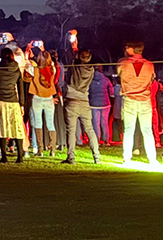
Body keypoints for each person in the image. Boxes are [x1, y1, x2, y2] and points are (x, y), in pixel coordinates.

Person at [117, 41, 158, 167]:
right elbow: (152, 79)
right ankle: (152, 158)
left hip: (129, 98)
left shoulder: (123, 63)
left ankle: (127, 157)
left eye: (127, 47)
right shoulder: (150, 64)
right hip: (145, 99)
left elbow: (119, 74)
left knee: (129, 130)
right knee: (147, 130)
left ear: (131, 49)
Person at [0, 40, 26, 163]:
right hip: (13, 100)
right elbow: (20, 87)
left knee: (1, 128)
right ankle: (20, 156)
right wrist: (22, 104)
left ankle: (4, 156)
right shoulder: (16, 69)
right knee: (16, 128)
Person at [61, 34, 100, 165]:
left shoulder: (75, 65)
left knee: (71, 131)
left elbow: (72, 53)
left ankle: (71, 158)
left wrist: (73, 41)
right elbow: (78, 56)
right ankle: (97, 157)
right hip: (84, 101)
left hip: (71, 101)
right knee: (89, 130)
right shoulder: (91, 69)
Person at [28, 47, 57, 156]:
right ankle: (53, 149)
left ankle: (40, 149)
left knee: (38, 123)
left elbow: (28, 69)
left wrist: (30, 56)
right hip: (49, 97)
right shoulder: (52, 69)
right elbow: (51, 64)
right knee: (50, 124)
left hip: (37, 97)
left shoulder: (34, 69)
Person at [89, 66, 113, 145]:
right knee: (105, 122)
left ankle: (97, 139)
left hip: (94, 103)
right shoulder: (106, 79)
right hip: (105, 103)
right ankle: (107, 140)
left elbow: (88, 91)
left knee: (96, 122)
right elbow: (111, 91)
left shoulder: (90, 80)